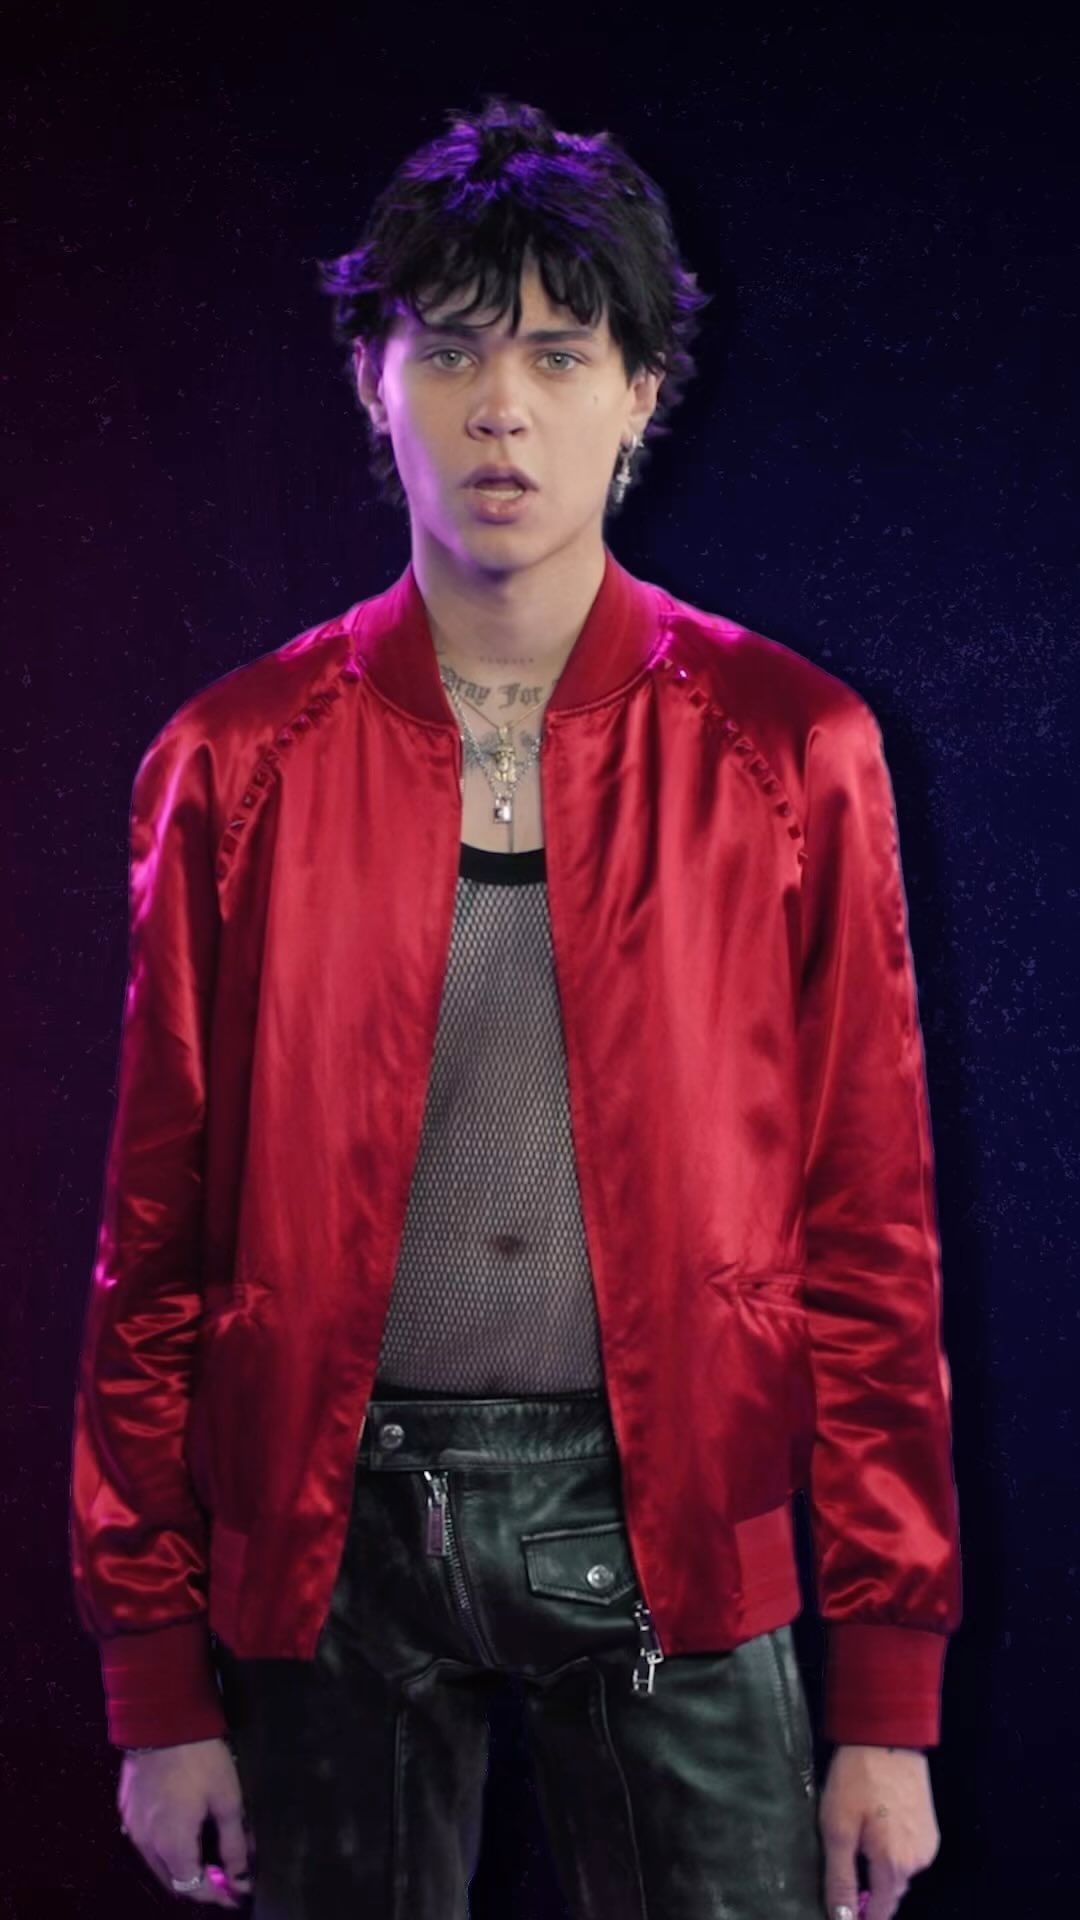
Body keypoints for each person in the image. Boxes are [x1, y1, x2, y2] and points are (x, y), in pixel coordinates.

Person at [69, 94, 962, 1920]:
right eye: (454, 350)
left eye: (560, 354)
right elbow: (150, 1241)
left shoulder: (793, 748)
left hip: (677, 1523)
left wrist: (888, 1699)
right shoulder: (235, 760)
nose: (503, 409)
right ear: (371, 380)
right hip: (324, 1542)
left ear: (642, 393)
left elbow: (871, 1231)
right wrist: (155, 1683)